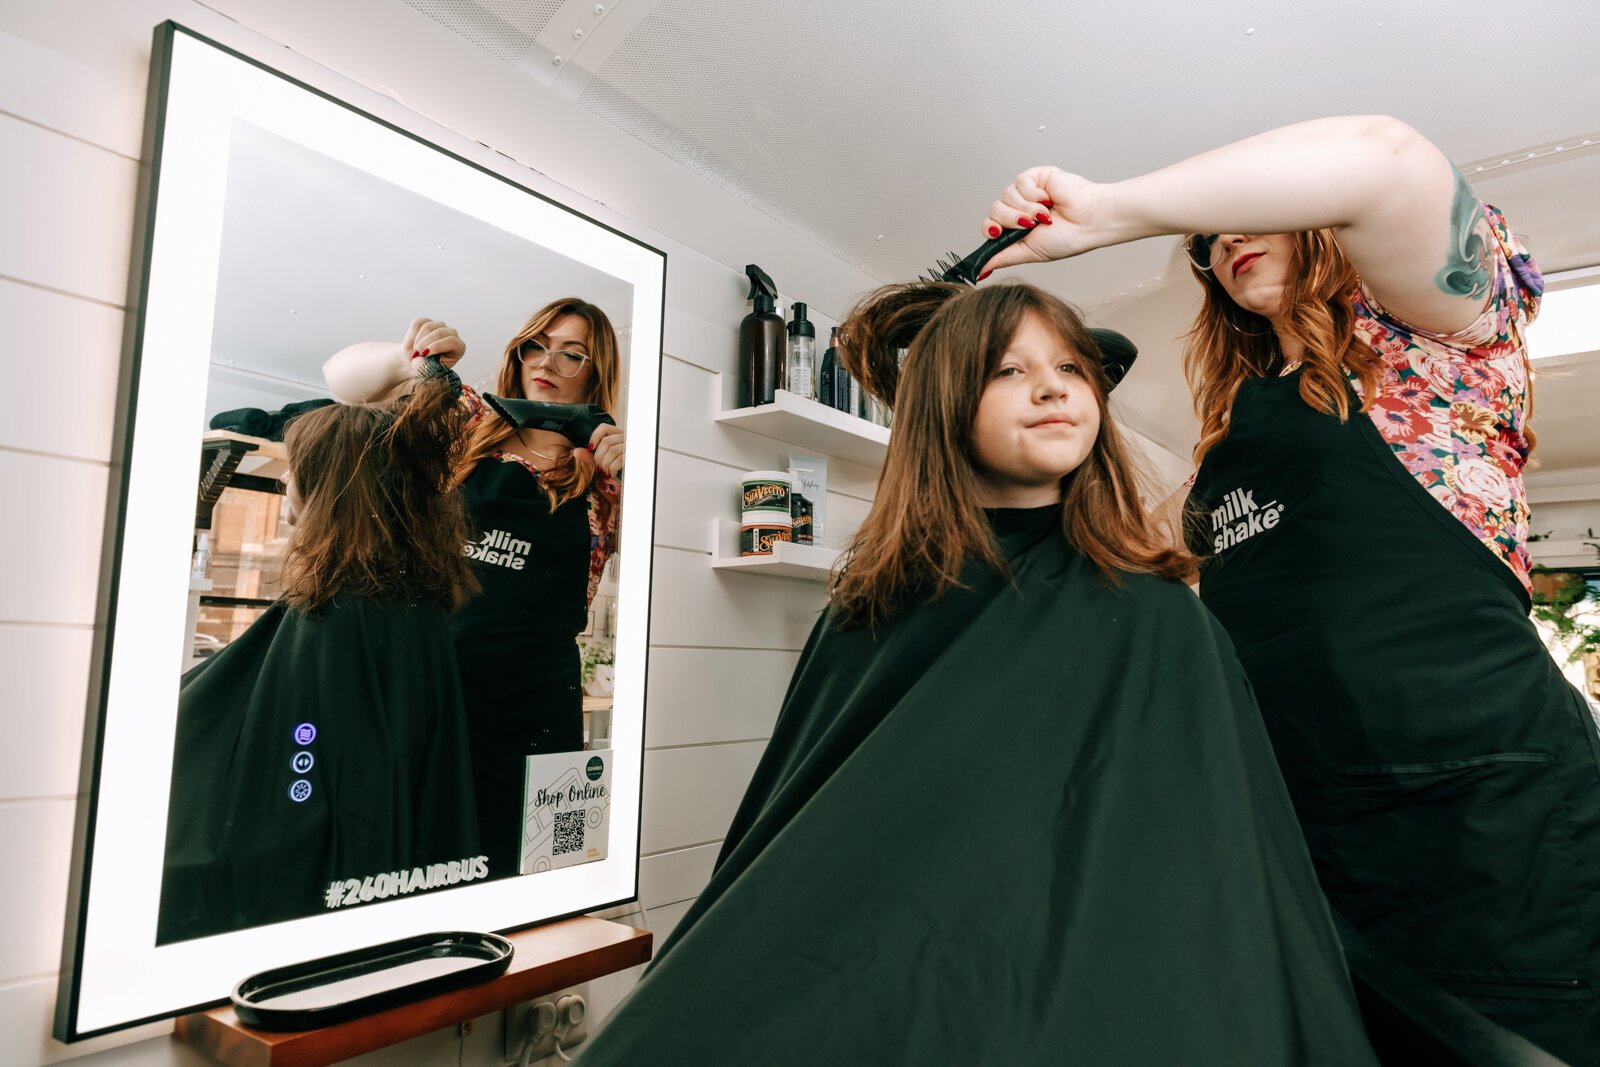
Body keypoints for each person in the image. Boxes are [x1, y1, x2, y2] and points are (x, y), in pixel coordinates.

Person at [577, 281, 1378, 1065]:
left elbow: (1208, 879)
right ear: (947, 405)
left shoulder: (1156, 618)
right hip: (895, 989)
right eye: (1008, 370)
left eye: (1071, 369)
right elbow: (797, 855)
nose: (1052, 389)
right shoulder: (867, 614)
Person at [982, 115, 1600, 1063]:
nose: (1225, 238)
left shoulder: (1439, 351)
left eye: (1249, 216)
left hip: (1484, 825)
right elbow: (1129, 559)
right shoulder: (1226, 443)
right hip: (1300, 830)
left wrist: (1110, 212)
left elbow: (1387, 158)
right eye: (1211, 237)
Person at [158, 366, 482, 943]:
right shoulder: (410, 605)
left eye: (293, 474)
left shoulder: (340, 614)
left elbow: (302, 788)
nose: (286, 488)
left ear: (329, 489)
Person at [323, 298, 624, 881]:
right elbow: (341, 380)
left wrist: (632, 477)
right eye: (539, 344)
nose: (549, 362)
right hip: (433, 685)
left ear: (595, 371)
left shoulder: (604, 474)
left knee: (536, 875)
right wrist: (408, 360)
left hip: (539, 710)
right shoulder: (465, 423)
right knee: (413, 862)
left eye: (573, 354)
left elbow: (666, 569)